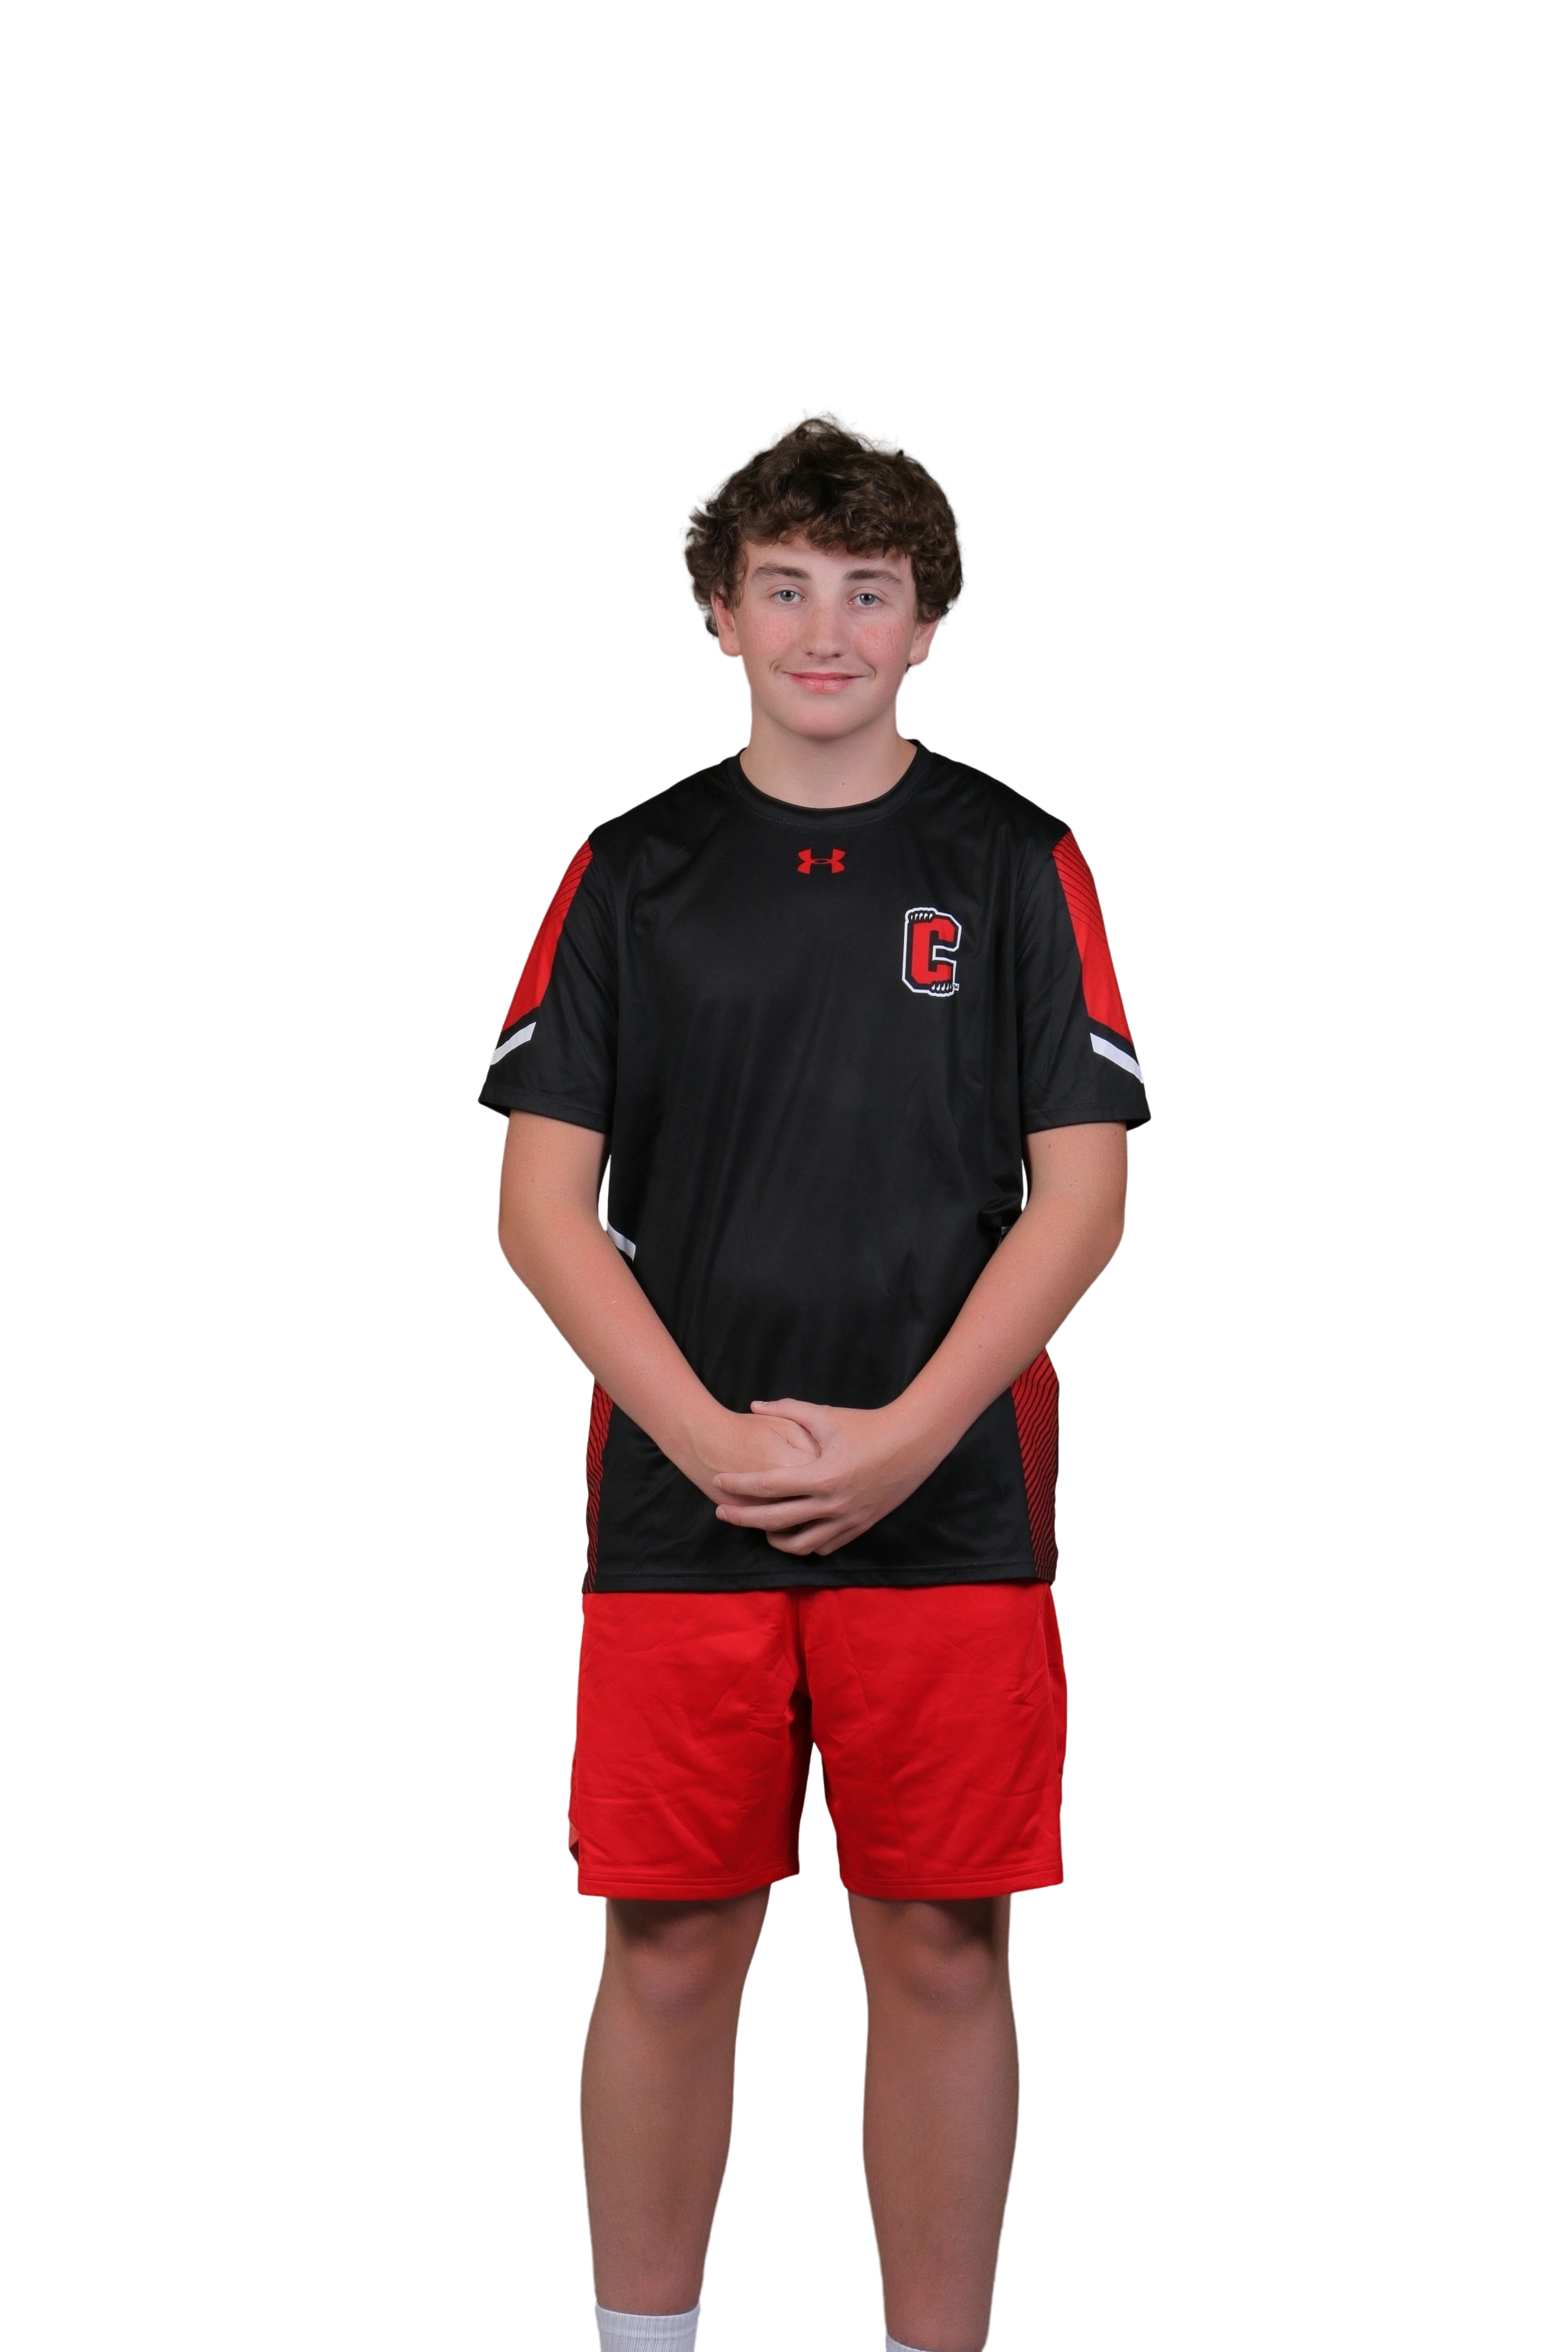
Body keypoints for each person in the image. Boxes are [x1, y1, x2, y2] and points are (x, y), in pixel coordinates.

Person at [475, 406, 1151, 2352]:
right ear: (720, 613)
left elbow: (1084, 1201)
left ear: (929, 623)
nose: (826, 629)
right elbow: (539, 1212)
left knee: (942, 1945)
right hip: (678, 1500)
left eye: (869, 590)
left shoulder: (1018, 862)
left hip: (950, 1500)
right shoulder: (632, 871)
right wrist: (706, 1439)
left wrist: (907, 1438)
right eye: (785, 587)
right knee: (669, 1946)